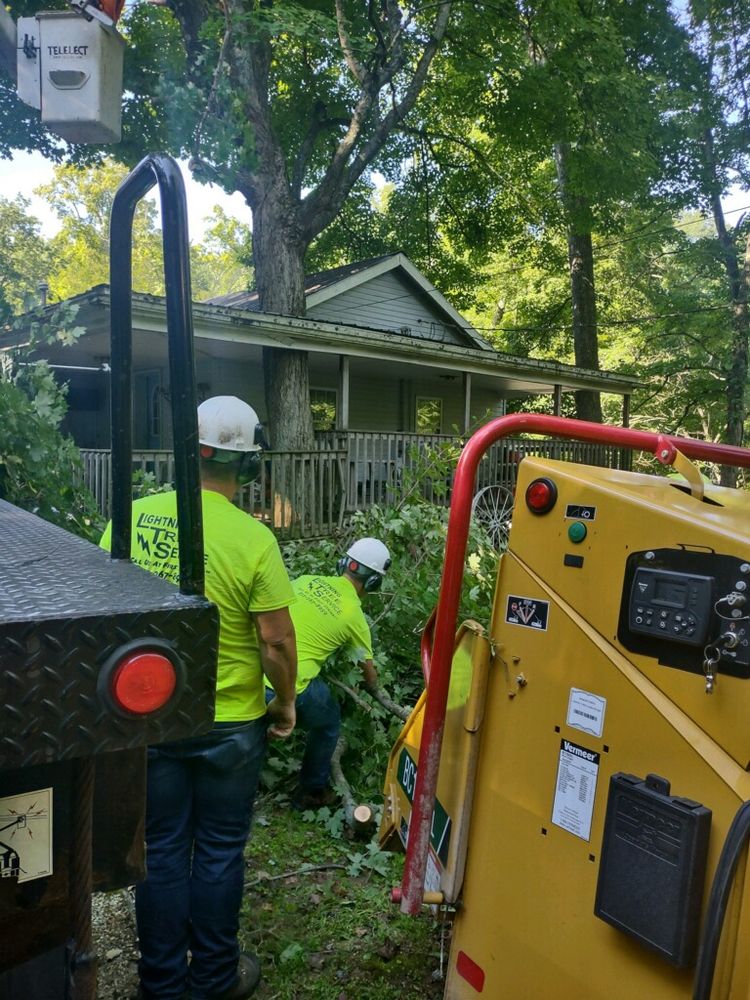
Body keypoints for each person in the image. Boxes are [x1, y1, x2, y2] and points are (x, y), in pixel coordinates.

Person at [100, 395, 297, 1000]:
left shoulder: (128, 519)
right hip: (229, 726)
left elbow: (107, 616)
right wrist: (285, 704)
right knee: (216, 852)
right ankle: (213, 978)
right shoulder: (253, 540)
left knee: (159, 850)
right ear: (248, 465)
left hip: (148, 719)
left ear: (191, 453)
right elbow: (277, 642)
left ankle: (160, 984)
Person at [267, 537, 391, 810]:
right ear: (374, 583)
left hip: (257, 668)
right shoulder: (353, 616)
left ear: (344, 563)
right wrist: (377, 691)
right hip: (287, 688)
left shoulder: (305, 580)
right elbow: (369, 676)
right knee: (329, 720)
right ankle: (311, 791)